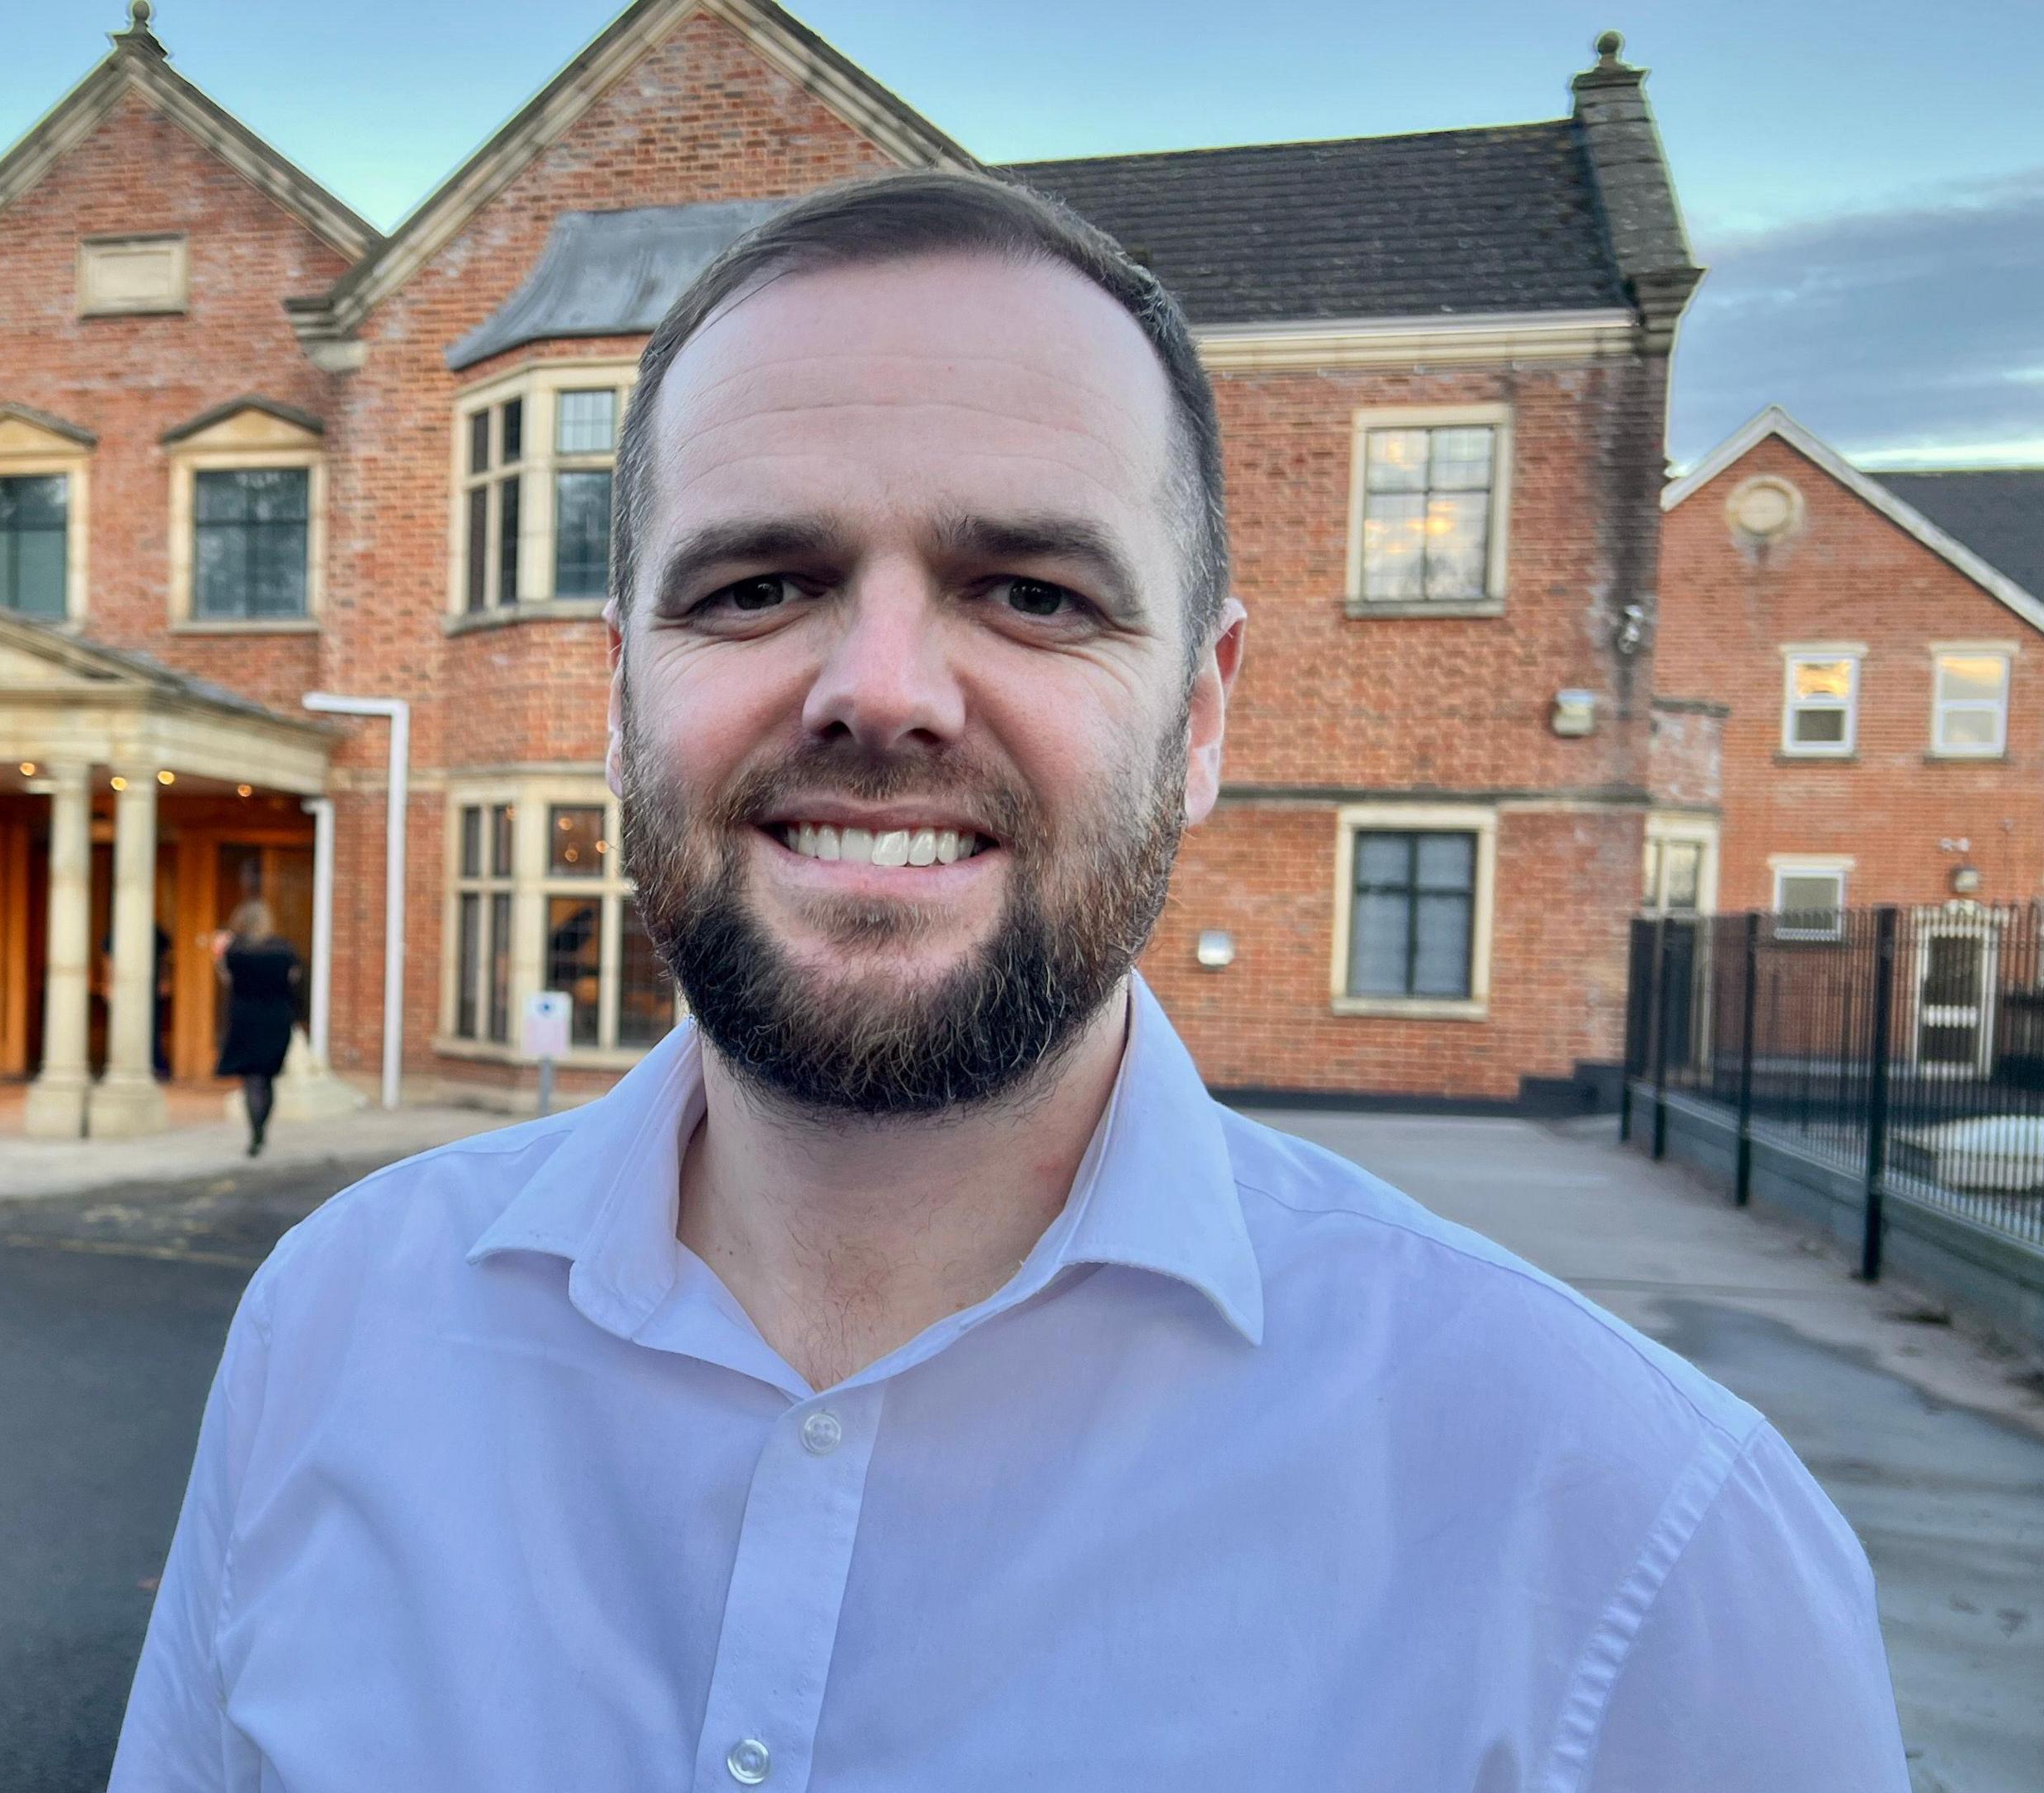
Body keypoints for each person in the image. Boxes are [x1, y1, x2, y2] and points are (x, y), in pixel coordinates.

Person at [111, 170, 1905, 1790]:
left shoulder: (1636, 1534)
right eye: (756, 586)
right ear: (616, 693)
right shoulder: (331, 1326)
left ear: (1200, 715)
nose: (878, 688)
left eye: (1032, 592)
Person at [210, 901, 300, 1158]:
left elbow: (227, 979)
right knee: (268, 1077)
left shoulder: (235, 951)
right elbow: (293, 980)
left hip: (246, 1018)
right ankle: (263, 1128)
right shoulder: (284, 950)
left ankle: (255, 1133)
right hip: (276, 1018)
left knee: (252, 1079)